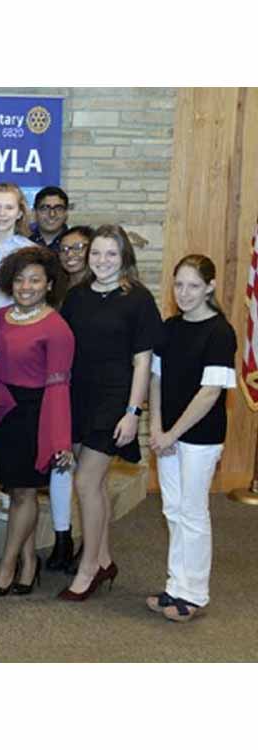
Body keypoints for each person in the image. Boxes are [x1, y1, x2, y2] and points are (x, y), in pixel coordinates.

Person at [59, 224, 162, 600]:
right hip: (79, 396)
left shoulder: (138, 299)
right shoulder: (77, 296)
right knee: (96, 484)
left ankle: (87, 568)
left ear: (124, 258)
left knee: (85, 483)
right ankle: (103, 558)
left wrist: (133, 412)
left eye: (111, 254)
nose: (102, 261)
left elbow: (143, 362)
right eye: (96, 253)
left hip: (114, 400)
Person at [147, 255, 237, 622]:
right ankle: (176, 585)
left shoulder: (220, 332)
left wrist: (172, 433)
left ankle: (194, 593)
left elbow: (209, 393)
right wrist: (156, 427)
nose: (184, 293)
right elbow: (156, 379)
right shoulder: (170, 327)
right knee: (172, 509)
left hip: (199, 437)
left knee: (193, 512)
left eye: (194, 286)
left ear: (210, 287)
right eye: (179, 285)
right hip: (167, 434)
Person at [0, 247, 75, 600]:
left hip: (35, 414)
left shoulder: (57, 328)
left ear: (49, 284)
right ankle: (29, 561)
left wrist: (60, 438)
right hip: (1, 412)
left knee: (23, 492)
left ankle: (7, 566)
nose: (26, 286)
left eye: (35, 280)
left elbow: (59, 387)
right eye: (20, 279)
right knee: (16, 489)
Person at [46, 224, 95, 571]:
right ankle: (62, 537)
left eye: (79, 248)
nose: (71, 255)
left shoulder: (103, 290)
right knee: (60, 462)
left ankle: (92, 546)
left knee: (89, 475)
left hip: (92, 388)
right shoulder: (55, 290)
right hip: (59, 387)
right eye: (64, 249)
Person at [29, 186, 70, 252]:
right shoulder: (22, 242)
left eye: (58, 209)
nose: (52, 214)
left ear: (66, 213)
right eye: (45, 209)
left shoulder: (74, 242)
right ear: (34, 212)